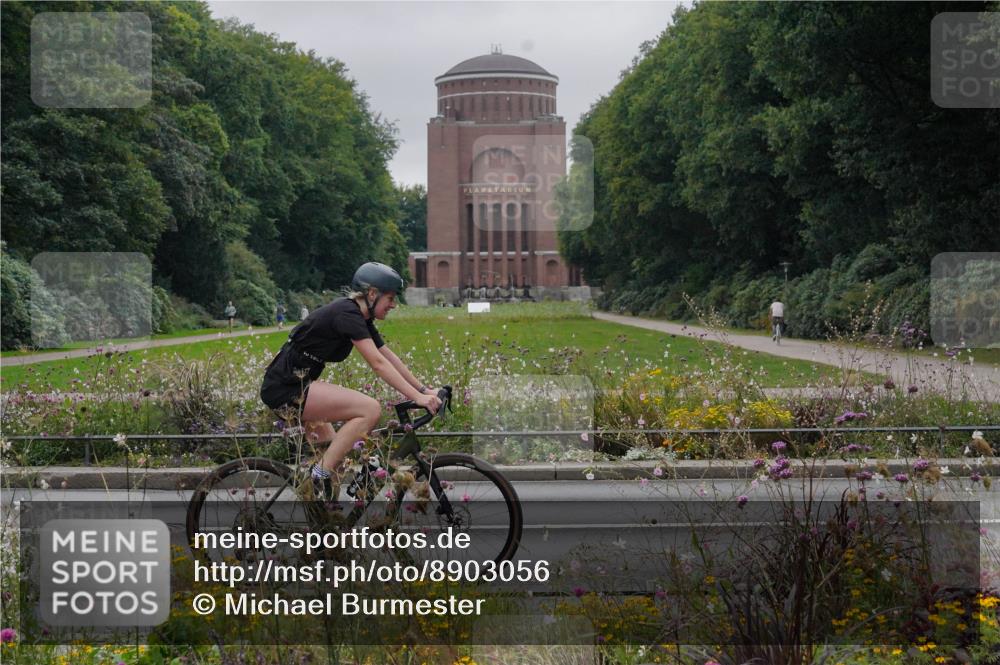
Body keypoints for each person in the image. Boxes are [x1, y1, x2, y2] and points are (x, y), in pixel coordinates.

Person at [259, 262, 442, 500]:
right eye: (390, 298)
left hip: (298, 385)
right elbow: (378, 364)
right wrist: (417, 398)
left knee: (335, 456)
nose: (394, 304)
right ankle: (315, 478)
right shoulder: (347, 314)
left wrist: (423, 389)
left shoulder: (361, 318)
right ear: (372, 294)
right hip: (286, 388)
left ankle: (323, 519)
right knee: (369, 409)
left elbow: (389, 356)